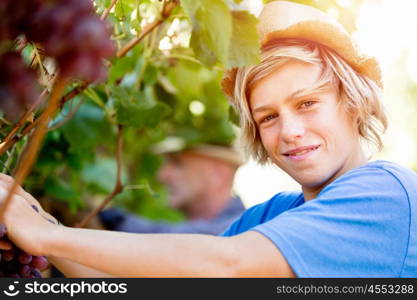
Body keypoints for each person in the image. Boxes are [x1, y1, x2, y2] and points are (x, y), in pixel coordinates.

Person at [0, 1, 416, 277]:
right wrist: (37, 224)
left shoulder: (386, 196)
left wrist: (46, 236)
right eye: (267, 116)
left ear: (354, 103)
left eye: (306, 104)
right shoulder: (272, 216)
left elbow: (225, 267)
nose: (288, 131)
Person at [98, 138, 245, 235]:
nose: (162, 176)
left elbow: (179, 244)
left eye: (177, 163)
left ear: (218, 173)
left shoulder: (241, 231)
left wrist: (114, 218)